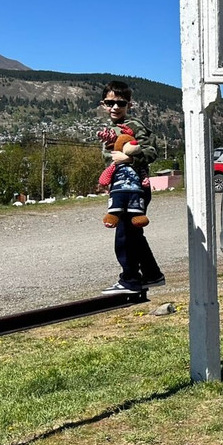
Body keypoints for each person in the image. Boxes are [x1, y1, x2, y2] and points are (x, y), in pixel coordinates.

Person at [98, 80, 166, 295]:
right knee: (134, 234)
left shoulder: (135, 126)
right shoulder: (109, 130)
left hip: (136, 189)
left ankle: (129, 280)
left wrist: (129, 158)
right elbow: (107, 157)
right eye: (110, 103)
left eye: (120, 103)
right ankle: (152, 274)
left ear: (129, 104)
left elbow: (151, 152)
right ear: (103, 104)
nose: (115, 107)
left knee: (125, 234)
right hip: (120, 188)